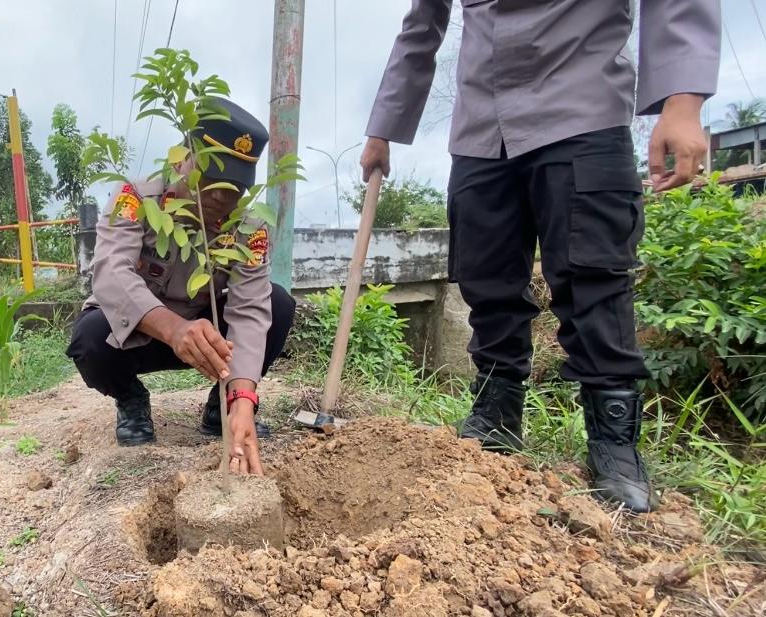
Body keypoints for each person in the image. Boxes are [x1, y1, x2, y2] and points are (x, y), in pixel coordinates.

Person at [360, 0, 720, 512]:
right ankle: (497, 413)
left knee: (591, 275)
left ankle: (613, 440)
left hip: (581, 105)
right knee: (485, 276)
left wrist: (683, 102)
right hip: (481, 126)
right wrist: (382, 129)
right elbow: (422, 25)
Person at [66, 98, 295, 475]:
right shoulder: (136, 199)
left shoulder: (248, 227)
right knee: (90, 337)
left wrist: (242, 401)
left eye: (235, 186)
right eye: (211, 179)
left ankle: (218, 408)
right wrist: (174, 329)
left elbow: (251, 309)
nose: (223, 198)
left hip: (209, 341)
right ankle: (131, 398)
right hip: (141, 334)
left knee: (278, 303)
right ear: (179, 161)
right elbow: (111, 274)